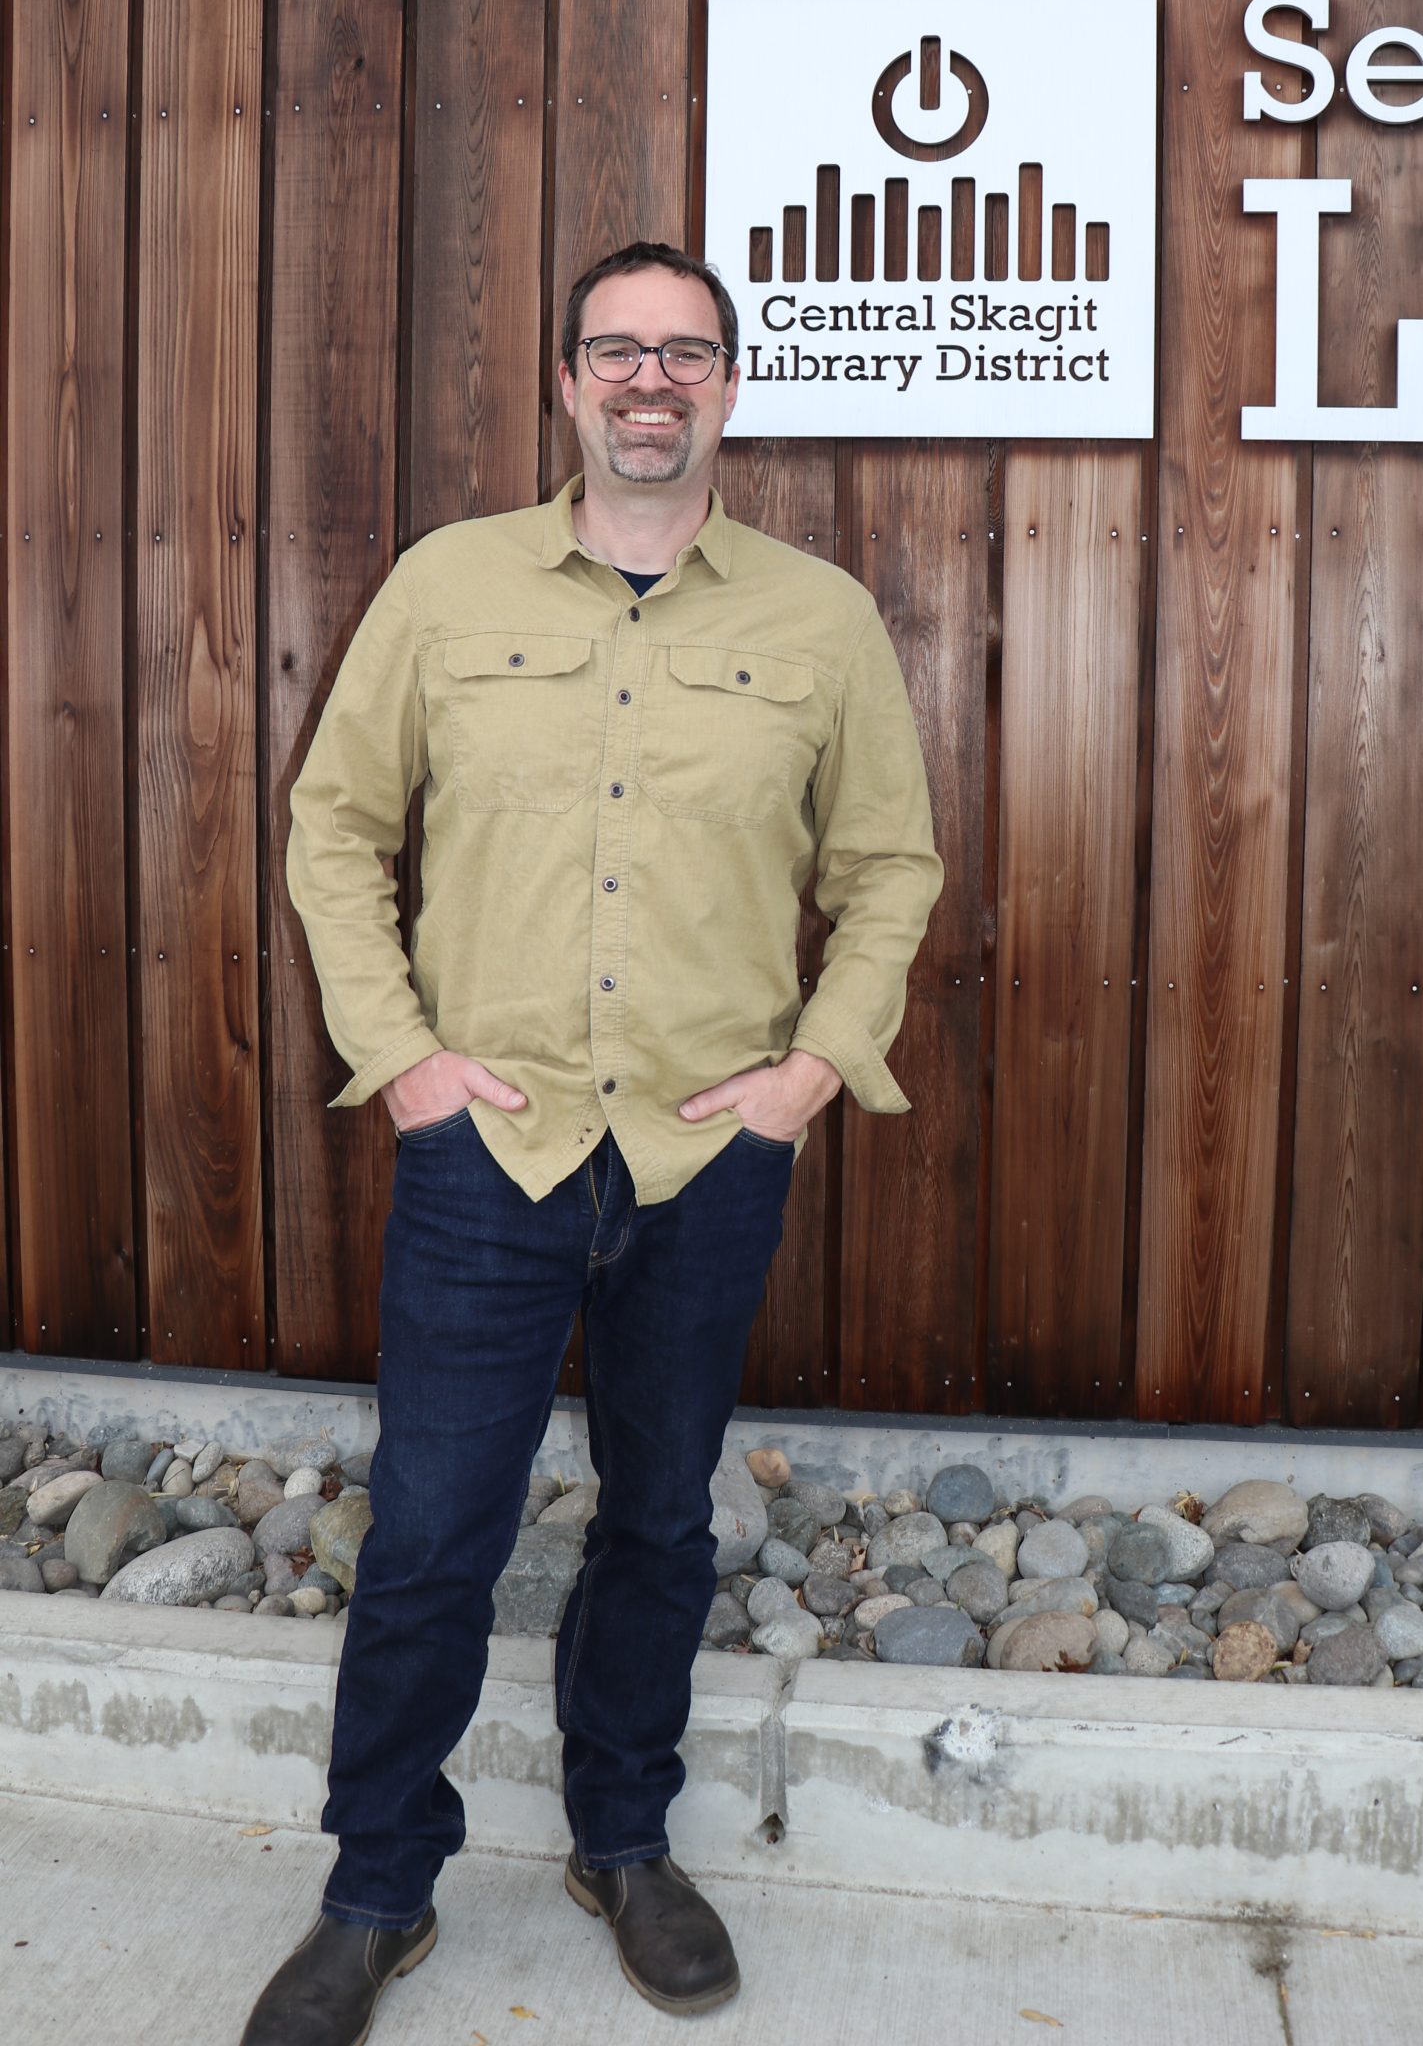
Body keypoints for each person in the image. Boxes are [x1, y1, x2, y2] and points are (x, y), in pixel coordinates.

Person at [242, 240, 941, 2044]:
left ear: (730, 384)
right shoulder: (447, 586)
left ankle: (622, 1842)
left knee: (660, 1524)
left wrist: (814, 1069)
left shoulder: (819, 619)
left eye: (684, 353)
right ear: (567, 383)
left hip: (710, 1156)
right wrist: (398, 1059)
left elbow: (888, 872)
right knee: (427, 1533)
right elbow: (335, 828)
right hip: (495, 1148)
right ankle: (377, 1887)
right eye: (614, 352)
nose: (650, 381)